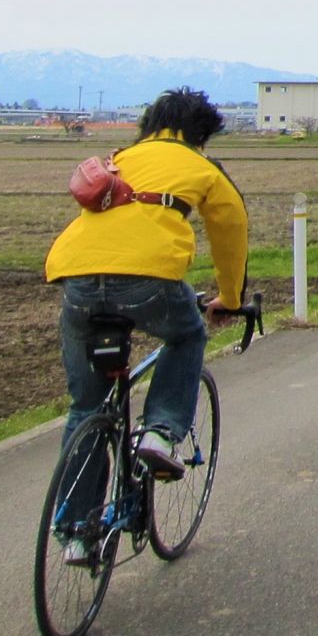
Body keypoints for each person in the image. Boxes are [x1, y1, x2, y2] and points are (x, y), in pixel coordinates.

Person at [45, 88, 248, 560]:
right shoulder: (201, 167)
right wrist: (230, 298)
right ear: (200, 134)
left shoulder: (119, 158)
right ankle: (159, 431)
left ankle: (77, 531)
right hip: (148, 280)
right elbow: (230, 229)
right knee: (187, 333)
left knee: (85, 407)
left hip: (76, 281)